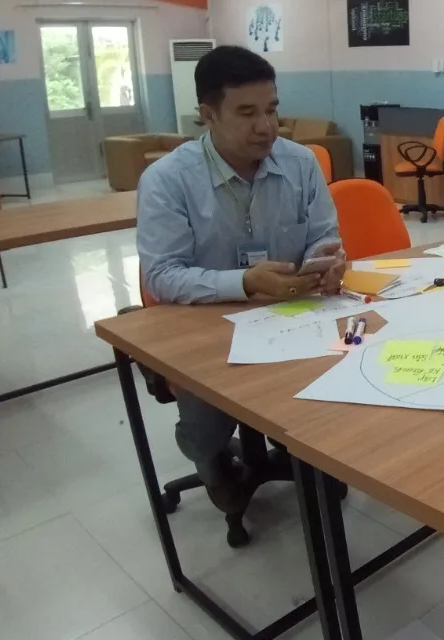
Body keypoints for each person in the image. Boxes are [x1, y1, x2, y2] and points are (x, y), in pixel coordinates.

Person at [136, 45, 346, 513]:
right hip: (205, 324)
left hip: (290, 311)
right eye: (247, 113)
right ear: (207, 114)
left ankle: (298, 447)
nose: (266, 126)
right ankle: (210, 456)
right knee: (208, 424)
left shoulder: (300, 162)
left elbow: (324, 235)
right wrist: (245, 283)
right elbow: (162, 275)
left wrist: (327, 260)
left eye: (272, 109)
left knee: (334, 383)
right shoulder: (168, 180)